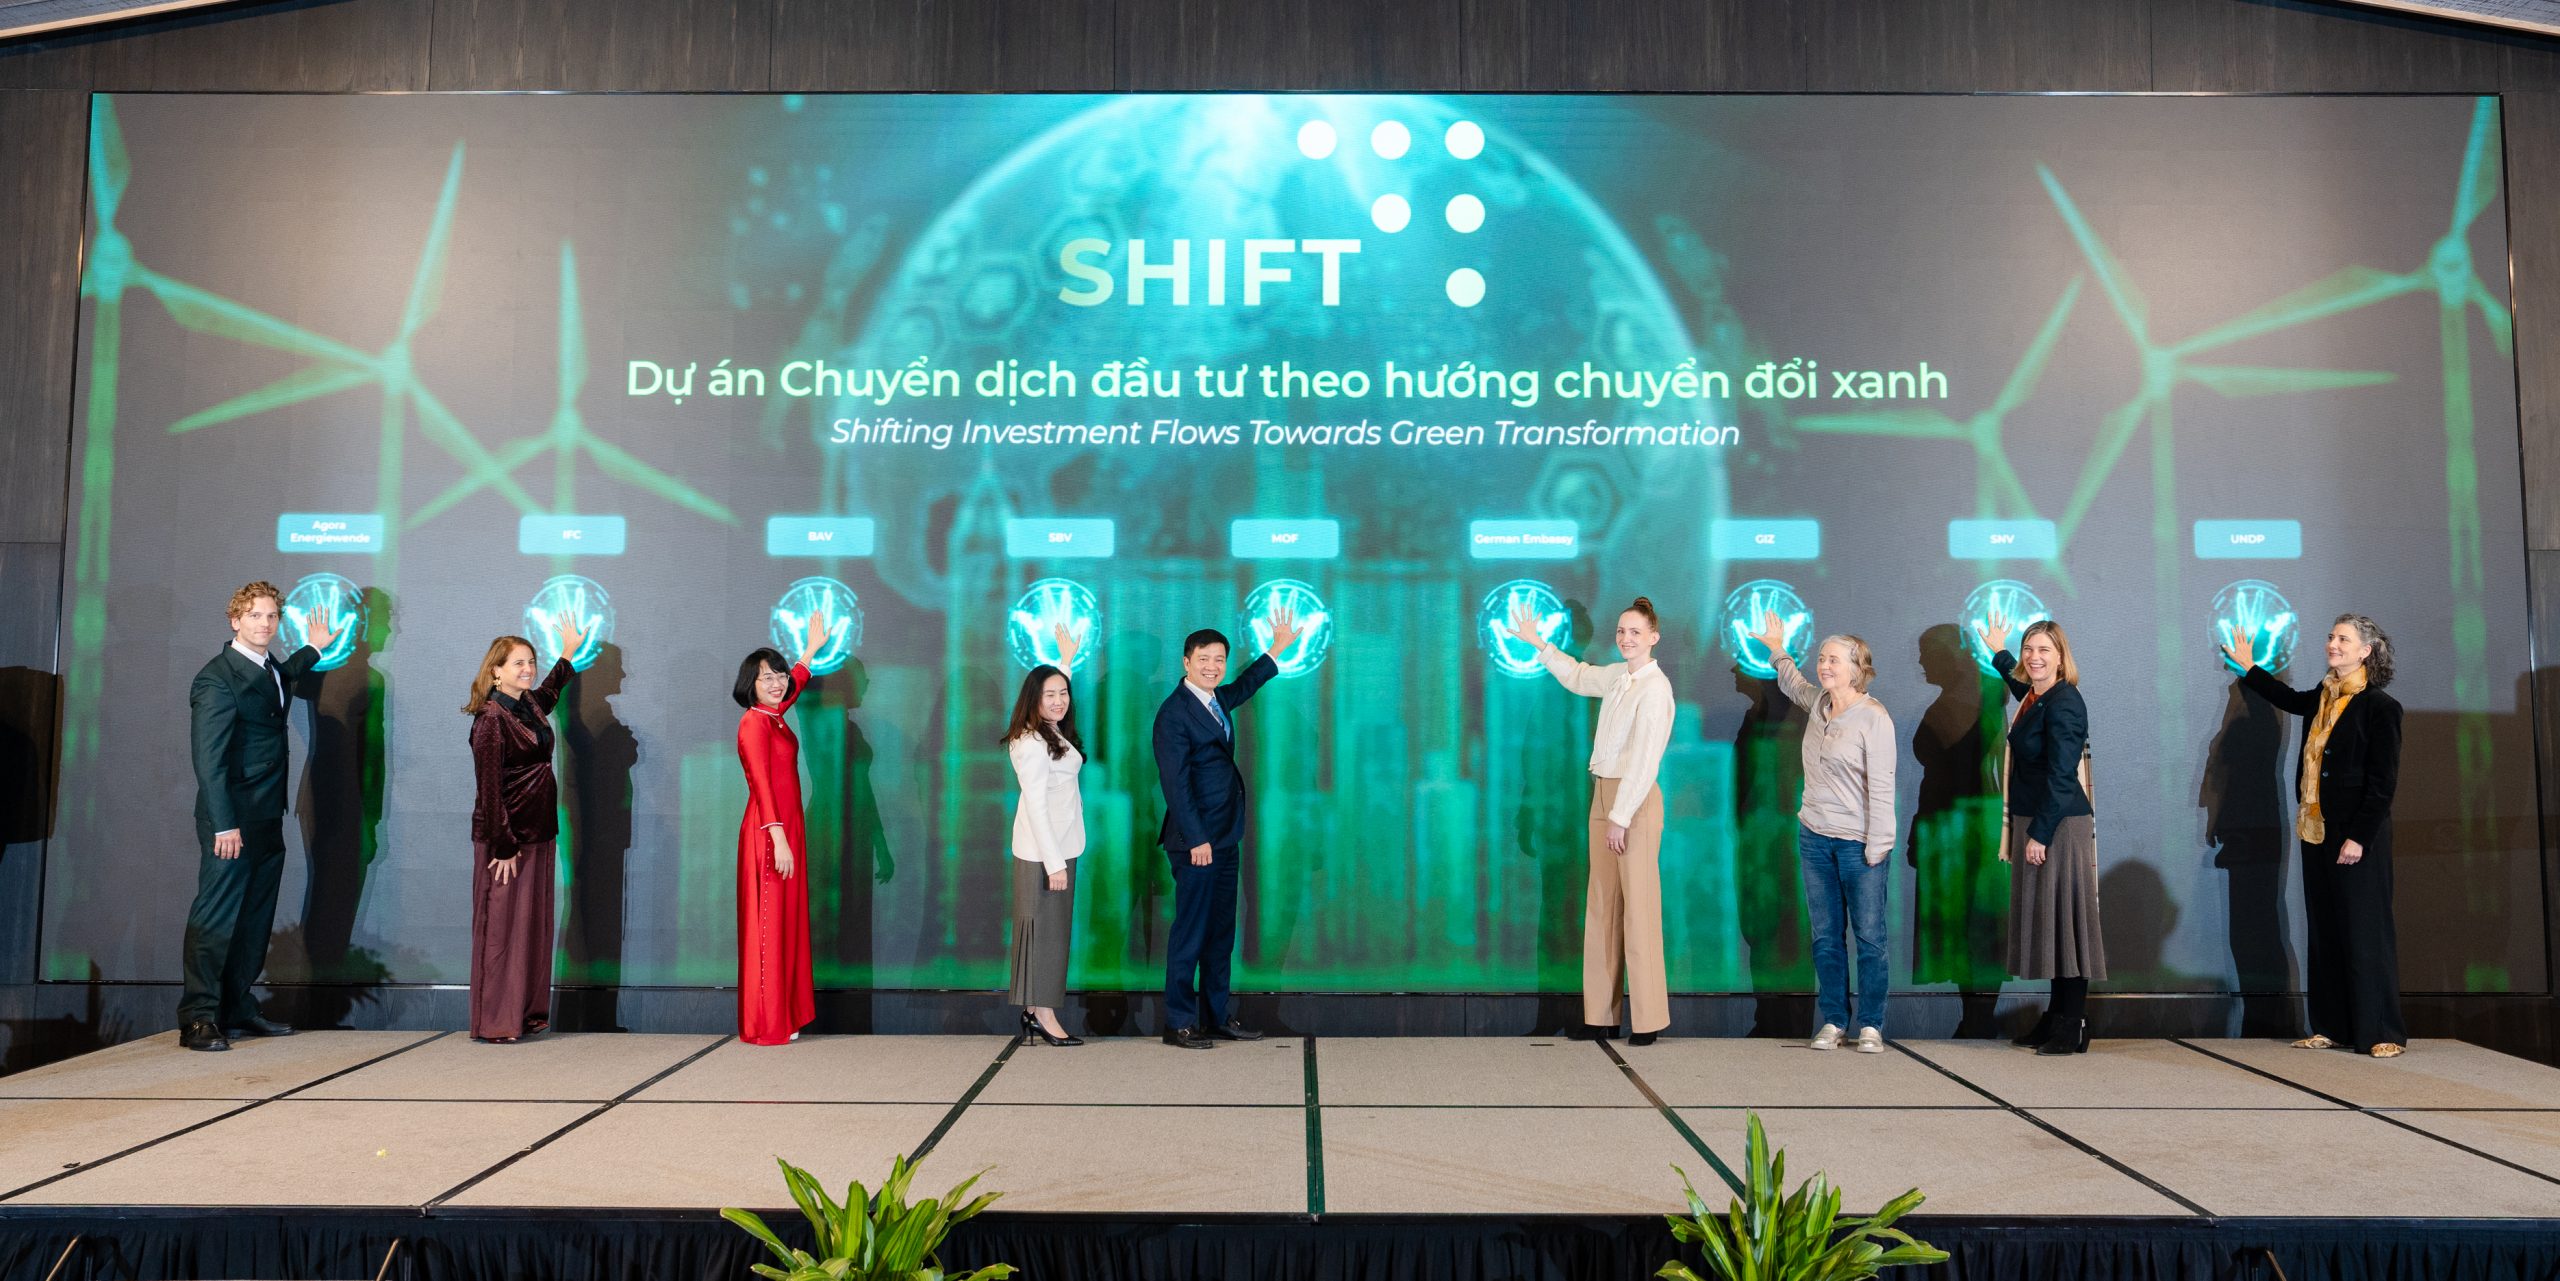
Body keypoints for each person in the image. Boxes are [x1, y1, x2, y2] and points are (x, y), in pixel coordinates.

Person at [2226, 615, 2406, 1058]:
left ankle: (2381, 1031)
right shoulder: (2323, 697)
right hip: (2318, 832)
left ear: (2366, 651)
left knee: (2365, 933)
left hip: (2356, 837)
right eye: (2331, 637)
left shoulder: (2380, 707)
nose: (2333, 644)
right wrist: (2249, 668)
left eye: (2343, 639)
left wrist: (2359, 837)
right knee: (2325, 931)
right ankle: (2332, 1026)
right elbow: (2286, 698)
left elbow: (2382, 783)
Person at [1509, 595, 1676, 1046]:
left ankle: (1648, 1020)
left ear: (1654, 637)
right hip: (1603, 794)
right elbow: (1579, 677)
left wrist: (1620, 816)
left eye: (1635, 632)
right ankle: (1600, 1014)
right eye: (1621, 631)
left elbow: (1645, 760)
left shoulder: (1655, 688)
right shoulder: (1619, 676)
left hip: (1633, 802)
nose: (1626, 638)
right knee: (1601, 907)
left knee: (1638, 910)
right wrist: (1538, 644)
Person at [179, 581, 327, 1052]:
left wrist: (313, 648)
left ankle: (237, 1006)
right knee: (217, 917)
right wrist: (224, 824)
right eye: (255, 615)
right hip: (231, 821)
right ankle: (199, 1016)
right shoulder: (216, 678)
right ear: (235, 620)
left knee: (254, 918)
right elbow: (209, 761)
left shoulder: (270, 668)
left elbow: (284, 675)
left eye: (271, 616)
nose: (265, 624)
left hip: (266, 816)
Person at [1152, 607, 1301, 1050]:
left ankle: (1217, 1017)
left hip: (1225, 837)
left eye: (1219, 659)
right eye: (1204, 659)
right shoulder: (1174, 713)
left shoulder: (1216, 700)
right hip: (1196, 842)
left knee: (1220, 934)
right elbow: (1175, 783)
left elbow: (1246, 685)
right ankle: (1179, 1022)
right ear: (1186, 662)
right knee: (1190, 933)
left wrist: (1276, 649)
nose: (1212, 666)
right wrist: (1197, 838)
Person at [1753, 615, 1896, 1054]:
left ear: (1856, 668)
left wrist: (1879, 845)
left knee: (1869, 938)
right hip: (1814, 837)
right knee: (1826, 937)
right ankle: (1835, 1020)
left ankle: (1871, 1024)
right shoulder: (1818, 703)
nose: (1824, 666)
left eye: (1833, 660)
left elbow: (1884, 786)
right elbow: (1793, 684)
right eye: (1821, 658)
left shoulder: (1873, 717)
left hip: (1859, 844)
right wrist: (1778, 649)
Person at [1977, 611, 2103, 1056]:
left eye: (2044, 650)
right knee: (2052, 923)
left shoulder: (2066, 702)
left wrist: (2041, 835)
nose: (2034, 657)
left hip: (2058, 825)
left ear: (2061, 657)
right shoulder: (2037, 697)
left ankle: (2072, 1024)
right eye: (2029, 649)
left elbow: (2063, 776)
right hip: (2039, 820)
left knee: (2067, 924)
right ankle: (2056, 1017)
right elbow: (2022, 691)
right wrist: (2000, 653)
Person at [463, 628, 580, 1044]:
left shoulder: (527, 704)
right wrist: (504, 844)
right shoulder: (491, 719)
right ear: (496, 671)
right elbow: (489, 789)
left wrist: (566, 656)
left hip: (539, 833)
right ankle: (497, 1020)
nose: (528, 669)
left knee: (530, 928)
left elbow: (548, 694)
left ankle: (525, 1014)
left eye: (530, 662)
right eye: (518, 663)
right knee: (503, 931)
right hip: (508, 841)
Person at [734, 616, 829, 1047]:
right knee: (769, 927)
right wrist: (778, 839)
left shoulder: (773, 717)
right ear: (749, 685)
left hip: (787, 830)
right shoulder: (754, 723)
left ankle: (783, 1011)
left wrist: (808, 652)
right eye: (766, 678)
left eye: (779, 675)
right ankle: (766, 1022)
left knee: (785, 924)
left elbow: (794, 687)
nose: (776, 683)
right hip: (769, 834)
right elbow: (761, 783)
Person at [1006, 625, 1087, 1047]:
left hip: (1060, 847)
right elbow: (1036, 805)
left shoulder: (1048, 731)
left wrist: (1065, 661)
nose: (1059, 701)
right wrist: (1054, 864)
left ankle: (1036, 1010)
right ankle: (1043, 1014)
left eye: (1064, 693)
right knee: (1045, 934)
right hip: (1044, 854)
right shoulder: (1030, 743)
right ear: (1033, 700)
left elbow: (1054, 687)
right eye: (1049, 695)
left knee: (1051, 933)